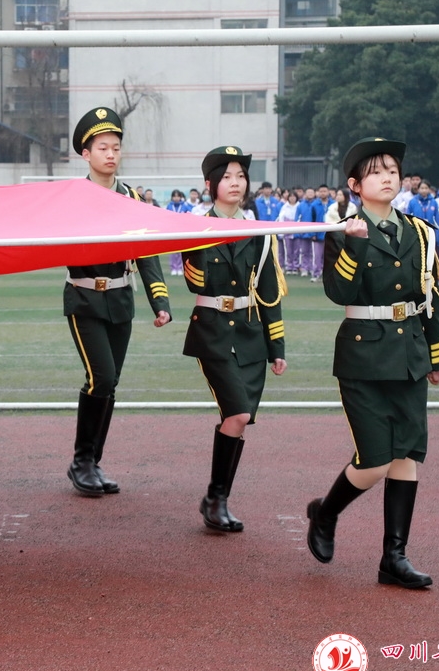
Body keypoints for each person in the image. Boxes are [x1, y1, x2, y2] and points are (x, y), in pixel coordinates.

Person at [306, 137, 439, 589]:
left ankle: (394, 557)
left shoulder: (420, 232)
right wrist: (354, 246)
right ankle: (325, 514)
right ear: (355, 185)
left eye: (392, 169)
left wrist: (437, 353)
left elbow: (429, 296)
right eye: (376, 171)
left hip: (409, 354)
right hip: (363, 355)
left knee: (407, 456)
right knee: (373, 462)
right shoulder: (343, 231)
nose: (388, 176)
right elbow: (339, 294)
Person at [64, 107, 172, 496]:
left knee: (111, 383)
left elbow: (146, 251)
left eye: (116, 147)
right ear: (86, 154)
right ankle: (81, 461)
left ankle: (92, 461)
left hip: (121, 299)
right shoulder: (72, 197)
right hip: (84, 297)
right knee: (102, 378)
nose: (111, 154)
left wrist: (159, 300)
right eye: (102, 148)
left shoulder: (131, 197)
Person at [182, 146, 287, 532]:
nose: (235, 183)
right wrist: (198, 240)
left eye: (240, 176)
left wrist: (277, 347)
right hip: (212, 330)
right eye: (226, 177)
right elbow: (197, 280)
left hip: (250, 333)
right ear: (210, 185)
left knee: (238, 420)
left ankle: (214, 499)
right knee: (238, 414)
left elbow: (270, 291)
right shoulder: (196, 229)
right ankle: (217, 499)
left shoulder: (259, 232)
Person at [165, 189, 192, 276]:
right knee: (173, 251)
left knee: (181, 250)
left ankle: (180, 268)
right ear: (172, 197)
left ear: (180, 197)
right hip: (172, 231)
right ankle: (173, 268)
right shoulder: (169, 206)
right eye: (174, 196)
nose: (176, 198)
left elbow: (189, 215)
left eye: (178, 196)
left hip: (182, 230)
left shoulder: (185, 206)